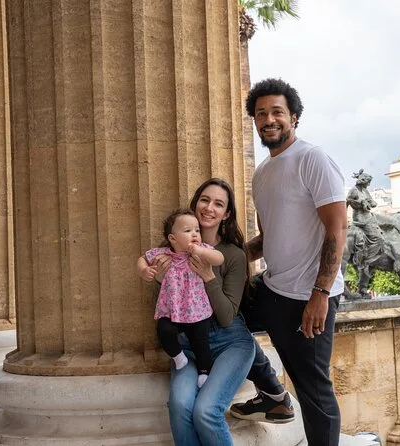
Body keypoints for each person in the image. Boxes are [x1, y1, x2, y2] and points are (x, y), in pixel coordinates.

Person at [230, 78, 347, 446]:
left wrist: (320, 294)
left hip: (307, 297)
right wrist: (223, 258)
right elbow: (270, 238)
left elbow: (337, 228)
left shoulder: (313, 158)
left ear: (293, 117)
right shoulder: (262, 173)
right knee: (215, 316)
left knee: (314, 391)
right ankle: (272, 394)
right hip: (273, 288)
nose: (269, 119)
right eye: (261, 113)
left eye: (277, 112)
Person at [146, 178, 292, 446]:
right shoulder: (173, 248)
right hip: (188, 345)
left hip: (230, 342)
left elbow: (226, 317)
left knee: (206, 411)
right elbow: (168, 305)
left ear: (226, 214)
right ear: (195, 204)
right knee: (180, 406)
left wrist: (208, 276)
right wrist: (159, 278)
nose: (209, 208)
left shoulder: (232, 254)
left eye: (218, 204)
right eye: (204, 200)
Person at [137, 209, 224, 388]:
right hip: (172, 310)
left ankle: (204, 371)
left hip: (197, 310)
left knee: (201, 343)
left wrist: (201, 251)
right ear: (173, 238)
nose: (195, 234)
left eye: (197, 230)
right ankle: (178, 356)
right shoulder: (164, 254)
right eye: (187, 230)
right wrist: (144, 270)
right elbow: (142, 258)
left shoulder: (201, 251)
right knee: (163, 330)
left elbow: (219, 258)